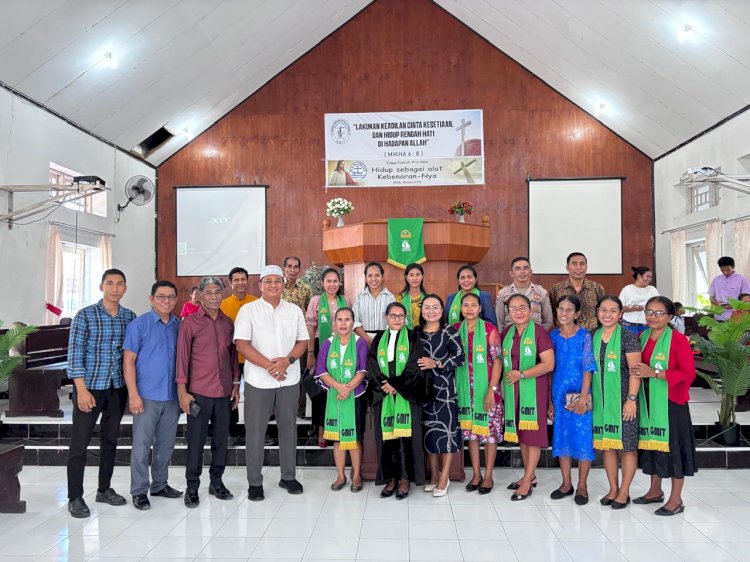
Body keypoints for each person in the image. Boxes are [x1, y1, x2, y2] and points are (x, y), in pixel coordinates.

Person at [234, 265, 309, 502]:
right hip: (259, 380)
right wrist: (270, 366)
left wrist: (286, 362)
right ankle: (254, 482)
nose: (274, 285)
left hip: (288, 379)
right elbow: (242, 345)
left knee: (288, 428)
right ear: (260, 285)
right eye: (268, 281)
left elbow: (302, 342)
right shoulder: (248, 310)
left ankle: (288, 476)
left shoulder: (294, 310)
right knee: (255, 431)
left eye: (278, 281)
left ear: (284, 284)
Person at [66, 269, 136, 518]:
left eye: (119, 284)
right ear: (101, 286)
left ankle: (104, 490)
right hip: (90, 388)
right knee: (79, 444)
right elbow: (74, 354)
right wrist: (81, 390)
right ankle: (74, 497)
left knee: (110, 440)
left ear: (125, 288)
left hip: (117, 388)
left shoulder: (129, 317)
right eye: (110, 283)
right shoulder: (85, 315)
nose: (114, 288)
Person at [176, 276, 240, 508]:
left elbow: (232, 358)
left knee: (221, 441)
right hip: (198, 393)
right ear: (200, 296)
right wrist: (182, 392)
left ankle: (217, 482)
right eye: (209, 293)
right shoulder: (189, 323)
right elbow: (181, 360)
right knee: (196, 442)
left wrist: (235, 385)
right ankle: (192, 487)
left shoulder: (228, 323)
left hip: (223, 392)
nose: (214, 297)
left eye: (217, 292)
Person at [632, 296, 698, 516]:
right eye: (649, 312)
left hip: (672, 401)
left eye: (659, 313)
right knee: (652, 445)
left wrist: (656, 373)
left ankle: (676, 499)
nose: (653, 317)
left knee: (673, 449)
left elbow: (689, 375)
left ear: (670, 316)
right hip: (647, 400)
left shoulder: (678, 340)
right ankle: (654, 490)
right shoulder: (641, 338)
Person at [123, 280, 183, 510]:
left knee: (166, 445)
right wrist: (133, 395)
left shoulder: (179, 324)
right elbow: (128, 362)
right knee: (141, 445)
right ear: (151, 299)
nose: (166, 301)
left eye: (170, 297)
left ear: (176, 300)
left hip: (171, 396)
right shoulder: (139, 325)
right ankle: (139, 490)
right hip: (146, 395)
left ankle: (159, 484)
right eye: (161, 297)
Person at [367, 302, 430, 499]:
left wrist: (397, 385)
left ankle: (404, 478)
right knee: (387, 439)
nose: (396, 319)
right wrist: (384, 385)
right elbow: (372, 364)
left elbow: (415, 365)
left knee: (405, 439)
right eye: (393, 315)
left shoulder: (413, 337)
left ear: (405, 318)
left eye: (400, 316)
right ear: (386, 317)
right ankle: (390, 478)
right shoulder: (378, 338)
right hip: (384, 395)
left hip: (406, 395)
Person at [501, 294, 555, 501]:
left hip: (534, 390)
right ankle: (529, 476)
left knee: (532, 437)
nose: (518, 312)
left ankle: (526, 481)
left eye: (522, 307)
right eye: (513, 309)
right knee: (523, 435)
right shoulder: (507, 332)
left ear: (531, 309)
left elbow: (549, 364)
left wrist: (522, 374)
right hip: (513, 391)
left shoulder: (539, 332)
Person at [592, 295, 642, 509]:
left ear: (621, 314)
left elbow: (635, 371)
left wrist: (631, 399)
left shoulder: (629, 337)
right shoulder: (594, 336)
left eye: (613, 310)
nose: (608, 314)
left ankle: (624, 491)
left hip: (623, 399)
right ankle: (613, 488)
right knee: (608, 446)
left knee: (628, 447)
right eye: (603, 310)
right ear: (597, 312)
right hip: (601, 402)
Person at [549, 295, 596, 505]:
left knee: (582, 437)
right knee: (562, 437)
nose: (564, 313)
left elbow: (588, 368)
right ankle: (566, 483)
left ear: (577, 313)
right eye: (561, 309)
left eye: (569, 310)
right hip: (559, 396)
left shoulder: (585, 336)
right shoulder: (553, 337)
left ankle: (582, 485)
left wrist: (584, 398)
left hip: (580, 393)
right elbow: (549, 369)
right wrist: (550, 401)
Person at [454, 292, 503, 495]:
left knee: (489, 436)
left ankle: (489, 475)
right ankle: (476, 474)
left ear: (480, 308)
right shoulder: (455, 331)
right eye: (466, 305)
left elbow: (498, 361)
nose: (470, 309)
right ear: (461, 308)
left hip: (487, 392)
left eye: (474, 305)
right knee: (472, 435)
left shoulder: (489, 330)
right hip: (466, 393)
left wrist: (492, 390)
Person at [416, 294, 464, 497]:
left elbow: (460, 357)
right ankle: (434, 473)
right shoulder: (416, 333)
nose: (431, 311)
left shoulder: (449, 332)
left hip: (444, 391)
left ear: (442, 310)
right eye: (427, 307)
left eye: (435, 307)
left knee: (446, 433)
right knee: (429, 433)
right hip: (423, 390)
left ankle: (445, 476)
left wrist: (436, 363)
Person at [315, 307, 368, 492]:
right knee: (338, 439)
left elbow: (363, 370)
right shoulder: (327, 344)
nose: (343, 323)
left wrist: (347, 388)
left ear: (353, 323)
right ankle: (340, 475)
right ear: (334, 323)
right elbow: (321, 371)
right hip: (333, 396)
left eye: (347, 319)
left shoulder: (360, 343)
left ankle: (356, 476)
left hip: (355, 396)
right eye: (340, 319)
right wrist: (338, 387)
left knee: (354, 438)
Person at [306, 268, 351, 447]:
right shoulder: (316, 301)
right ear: (322, 283)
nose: (332, 284)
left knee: (338, 387)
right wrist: (311, 353)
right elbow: (310, 328)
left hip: (342, 347)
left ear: (340, 283)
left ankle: (338, 428)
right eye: (328, 281)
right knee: (321, 391)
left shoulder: (345, 300)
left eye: (335, 281)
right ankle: (321, 431)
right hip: (321, 348)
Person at [220, 267, 258, 446]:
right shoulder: (223, 305)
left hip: (252, 359)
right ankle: (232, 433)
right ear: (230, 283)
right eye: (236, 280)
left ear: (248, 281)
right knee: (230, 396)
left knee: (255, 396)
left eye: (243, 279)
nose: (240, 282)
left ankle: (255, 433)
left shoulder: (257, 303)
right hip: (230, 359)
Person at [281, 256, 313, 418]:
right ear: (284, 268)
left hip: (299, 338)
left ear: (299, 269)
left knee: (300, 373)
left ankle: (299, 409)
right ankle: (275, 409)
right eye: (289, 266)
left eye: (295, 267)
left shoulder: (305, 289)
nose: (292, 270)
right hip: (279, 338)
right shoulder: (277, 287)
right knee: (279, 370)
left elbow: (309, 315)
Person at [549, 252, 605, 331]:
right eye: (574, 264)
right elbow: (553, 315)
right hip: (565, 336)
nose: (578, 267)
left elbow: (602, 311)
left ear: (586, 267)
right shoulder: (556, 289)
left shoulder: (597, 288)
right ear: (567, 267)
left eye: (582, 264)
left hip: (592, 335)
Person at [494, 257, 553, 330]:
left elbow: (548, 321)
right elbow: (499, 322)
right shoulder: (503, 293)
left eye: (525, 268)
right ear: (511, 273)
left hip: (535, 336)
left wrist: (538, 335)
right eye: (517, 268)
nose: (522, 271)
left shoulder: (541, 292)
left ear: (531, 272)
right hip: (510, 336)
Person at [353, 262, 396, 346]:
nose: (373, 278)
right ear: (365, 278)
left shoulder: (390, 297)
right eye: (370, 275)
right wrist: (367, 340)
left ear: (382, 277)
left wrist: (382, 340)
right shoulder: (359, 298)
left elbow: (394, 320)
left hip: (385, 340)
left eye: (377, 275)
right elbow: (355, 322)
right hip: (363, 340)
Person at [618, 266, 659, 335]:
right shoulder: (627, 289)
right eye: (647, 276)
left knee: (646, 345)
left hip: (647, 325)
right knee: (629, 345)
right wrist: (631, 309)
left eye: (650, 277)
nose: (649, 279)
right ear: (639, 276)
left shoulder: (652, 290)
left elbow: (659, 306)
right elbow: (619, 307)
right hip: (629, 325)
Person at [709, 256, 750, 321]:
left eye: (728, 270)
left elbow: (747, 300)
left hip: (737, 319)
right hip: (719, 317)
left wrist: (734, 305)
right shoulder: (716, 280)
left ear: (733, 267)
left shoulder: (742, 279)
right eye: (723, 270)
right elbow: (711, 297)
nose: (725, 272)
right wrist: (715, 302)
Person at [396, 263, 428, 328]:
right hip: (404, 335)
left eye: (417, 275)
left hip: (425, 335)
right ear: (406, 278)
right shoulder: (399, 298)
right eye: (411, 275)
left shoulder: (429, 298)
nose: (414, 278)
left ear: (422, 276)